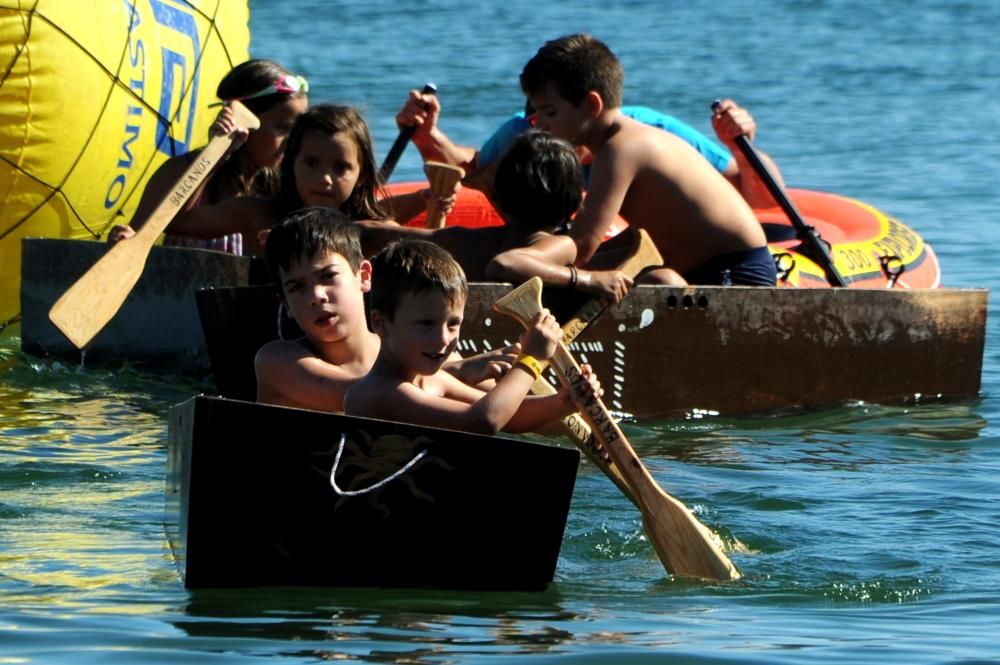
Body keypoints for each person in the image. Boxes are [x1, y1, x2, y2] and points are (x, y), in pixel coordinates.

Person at [519, 34, 777, 286]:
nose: (540, 125)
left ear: (591, 105)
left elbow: (582, 245)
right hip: (708, 269)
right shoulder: (619, 143)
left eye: (549, 112)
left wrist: (527, 259)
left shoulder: (620, 150)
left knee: (658, 280)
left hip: (737, 272)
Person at [255, 208, 516, 412]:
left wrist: (524, 368)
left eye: (327, 276)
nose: (316, 296)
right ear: (285, 302)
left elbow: (509, 414)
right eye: (297, 287)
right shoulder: (277, 361)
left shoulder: (421, 345)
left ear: (364, 276)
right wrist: (459, 372)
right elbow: (370, 394)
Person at [343, 239, 602, 435]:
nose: (443, 338)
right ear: (381, 324)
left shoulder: (435, 381)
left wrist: (565, 401)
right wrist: (531, 361)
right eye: (426, 324)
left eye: (453, 324)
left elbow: (511, 416)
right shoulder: (374, 393)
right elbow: (482, 420)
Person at [394, 79, 782, 208]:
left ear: (591, 111)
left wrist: (739, 145)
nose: (543, 131)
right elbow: (472, 174)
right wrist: (428, 137)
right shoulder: (524, 129)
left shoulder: (653, 135)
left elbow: (760, 200)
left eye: (552, 116)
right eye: (536, 118)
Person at [355, 130, 635, 302]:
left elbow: (371, 232)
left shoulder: (462, 240)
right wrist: (586, 279)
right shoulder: (563, 246)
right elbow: (504, 264)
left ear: (497, 197)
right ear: (574, 204)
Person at [163, 104, 453, 256]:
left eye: (341, 167)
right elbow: (178, 222)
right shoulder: (258, 214)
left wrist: (433, 209)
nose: (324, 178)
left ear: (361, 175)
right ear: (290, 163)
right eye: (311, 163)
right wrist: (216, 153)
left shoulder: (373, 232)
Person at [108, 59, 309, 252]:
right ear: (244, 118)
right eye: (284, 128)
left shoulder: (283, 188)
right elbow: (138, 240)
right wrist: (121, 240)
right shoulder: (178, 172)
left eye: (298, 130)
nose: (293, 141)